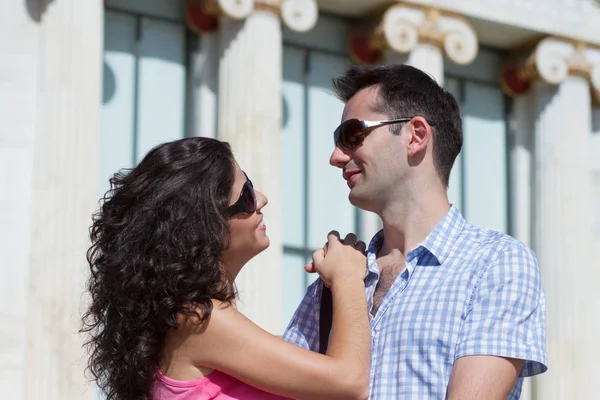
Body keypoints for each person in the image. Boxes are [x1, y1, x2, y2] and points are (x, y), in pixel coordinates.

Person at [283, 64, 547, 399]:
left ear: (416, 135)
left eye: (352, 135)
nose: (336, 157)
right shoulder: (336, 277)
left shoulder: (496, 263)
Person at [81, 137, 371, 400]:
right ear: (204, 224)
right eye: (246, 194)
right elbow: (349, 382)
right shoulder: (200, 320)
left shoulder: (185, 321)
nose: (261, 199)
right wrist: (346, 275)